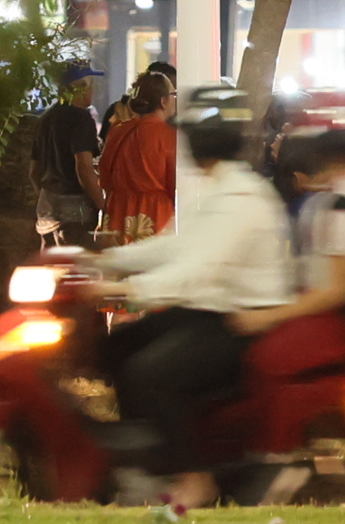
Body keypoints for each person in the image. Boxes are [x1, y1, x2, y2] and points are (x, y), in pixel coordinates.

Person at [81, 82, 296, 488]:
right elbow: (173, 245)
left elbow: (195, 268)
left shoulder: (240, 198)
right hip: (206, 314)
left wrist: (122, 290)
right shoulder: (219, 189)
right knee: (116, 346)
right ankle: (141, 461)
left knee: (149, 372)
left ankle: (192, 474)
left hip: (235, 324)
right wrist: (102, 261)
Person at [26, 64, 109, 250]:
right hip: (76, 212)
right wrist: (104, 206)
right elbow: (84, 169)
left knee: (51, 268)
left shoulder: (45, 119)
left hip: (46, 211)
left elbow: (34, 171)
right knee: (78, 269)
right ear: (79, 89)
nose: (92, 91)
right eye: (90, 85)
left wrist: (49, 195)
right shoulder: (81, 119)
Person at [100, 65, 180, 250]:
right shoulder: (168, 135)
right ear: (163, 101)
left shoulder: (118, 130)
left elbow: (104, 175)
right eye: (173, 94)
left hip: (117, 213)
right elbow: (174, 183)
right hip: (154, 214)